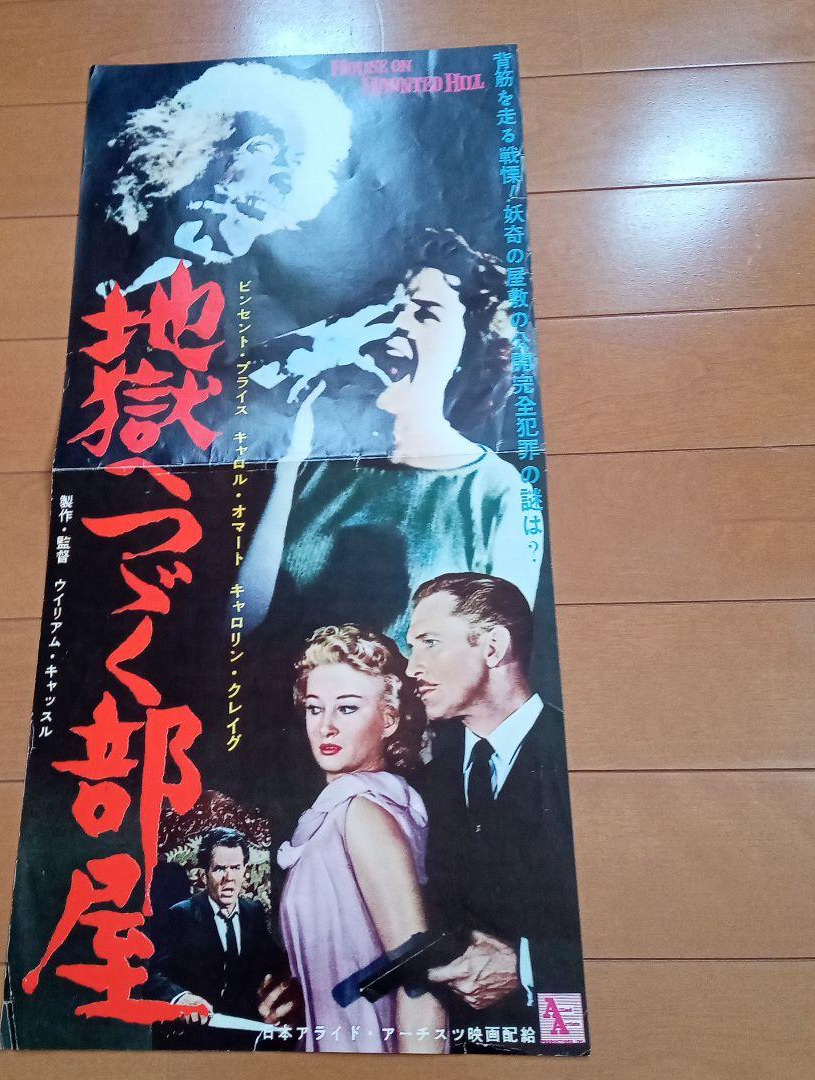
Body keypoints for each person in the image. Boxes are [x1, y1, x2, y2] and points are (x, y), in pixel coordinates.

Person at [238, 228, 539, 647]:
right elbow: (238, 625)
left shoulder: (499, 493)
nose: (395, 324)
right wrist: (286, 468)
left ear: (470, 347)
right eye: (387, 309)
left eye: (425, 313)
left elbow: (500, 661)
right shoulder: (307, 454)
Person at [405, 573, 585, 1049]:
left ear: (493, 647)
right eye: (412, 647)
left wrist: (527, 968)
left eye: (429, 643)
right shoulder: (420, 782)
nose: (412, 667)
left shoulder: (583, 760)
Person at [276, 625, 445, 1053]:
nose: (326, 727)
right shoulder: (338, 812)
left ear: (389, 719)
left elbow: (419, 980)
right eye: (315, 708)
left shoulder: (363, 814)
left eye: (347, 708)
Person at [101, 61, 352, 295]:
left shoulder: (267, 283)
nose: (283, 179)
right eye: (262, 149)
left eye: (295, 167)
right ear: (212, 147)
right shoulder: (118, 236)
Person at [144, 827, 298, 1049]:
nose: (229, 878)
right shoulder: (181, 915)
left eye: (235, 868)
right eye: (219, 869)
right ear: (204, 874)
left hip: (247, 1037)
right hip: (196, 1039)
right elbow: (153, 975)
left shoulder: (253, 911)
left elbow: (275, 962)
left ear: (245, 870)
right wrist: (182, 998)